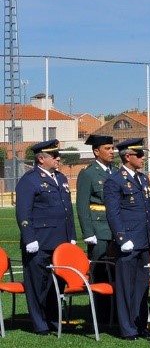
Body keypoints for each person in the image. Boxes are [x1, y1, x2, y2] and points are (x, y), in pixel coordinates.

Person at [15, 139, 77, 335]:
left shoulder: (61, 178)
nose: (58, 158)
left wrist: (71, 236)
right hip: (40, 241)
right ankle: (40, 324)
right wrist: (29, 237)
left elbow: (67, 211)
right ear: (41, 159)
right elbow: (23, 212)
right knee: (37, 285)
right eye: (54, 156)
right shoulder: (30, 179)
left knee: (56, 284)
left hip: (60, 242)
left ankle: (53, 320)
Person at [103, 138, 150, 340]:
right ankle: (127, 328)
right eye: (140, 155)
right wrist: (121, 237)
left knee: (142, 286)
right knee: (126, 286)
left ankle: (140, 323)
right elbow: (113, 213)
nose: (144, 158)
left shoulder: (143, 179)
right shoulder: (115, 180)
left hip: (144, 240)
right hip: (128, 240)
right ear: (127, 156)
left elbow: (148, 209)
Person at [75, 133, 116, 312]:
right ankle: (101, 311)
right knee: (99, 271)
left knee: (115, 271)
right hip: (98, 229)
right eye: (107, 148)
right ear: (96, 152)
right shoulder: (88, 174)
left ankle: (115, 309)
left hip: (115, 229)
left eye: (112, 148)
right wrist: (88, 232)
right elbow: (82, 205)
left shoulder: (115, 171)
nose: (112, 151)